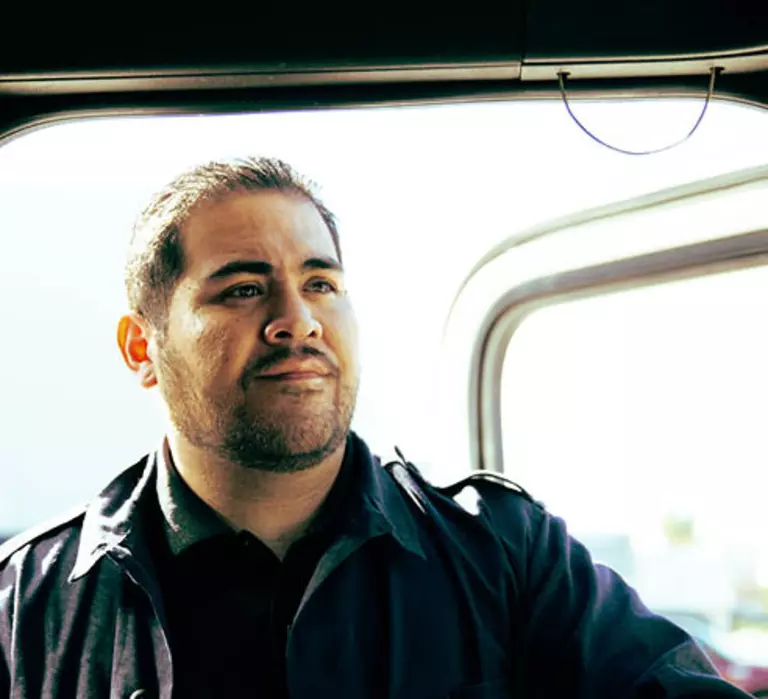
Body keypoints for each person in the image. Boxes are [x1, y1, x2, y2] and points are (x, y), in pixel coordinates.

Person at [0, 157, 750, 699]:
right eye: (244, 288)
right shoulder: (26, 607)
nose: (297, 321)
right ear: (143, 348)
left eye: (320, 283)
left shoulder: (505, 553)